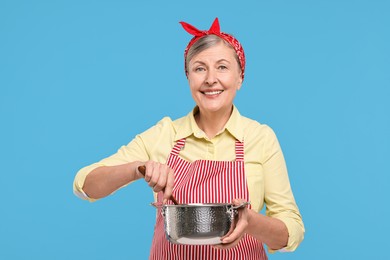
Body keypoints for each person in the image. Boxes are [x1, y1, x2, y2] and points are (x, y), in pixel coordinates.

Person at [73, 17, 304, 259]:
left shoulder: (260, 137)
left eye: (222, 67)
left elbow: (292, 232)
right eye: (199, 68)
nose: (210, 79)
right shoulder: (164, 134)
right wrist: (137, 169)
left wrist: (251, 222)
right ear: (188, 77)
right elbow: (85, 186)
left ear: (240, 77)